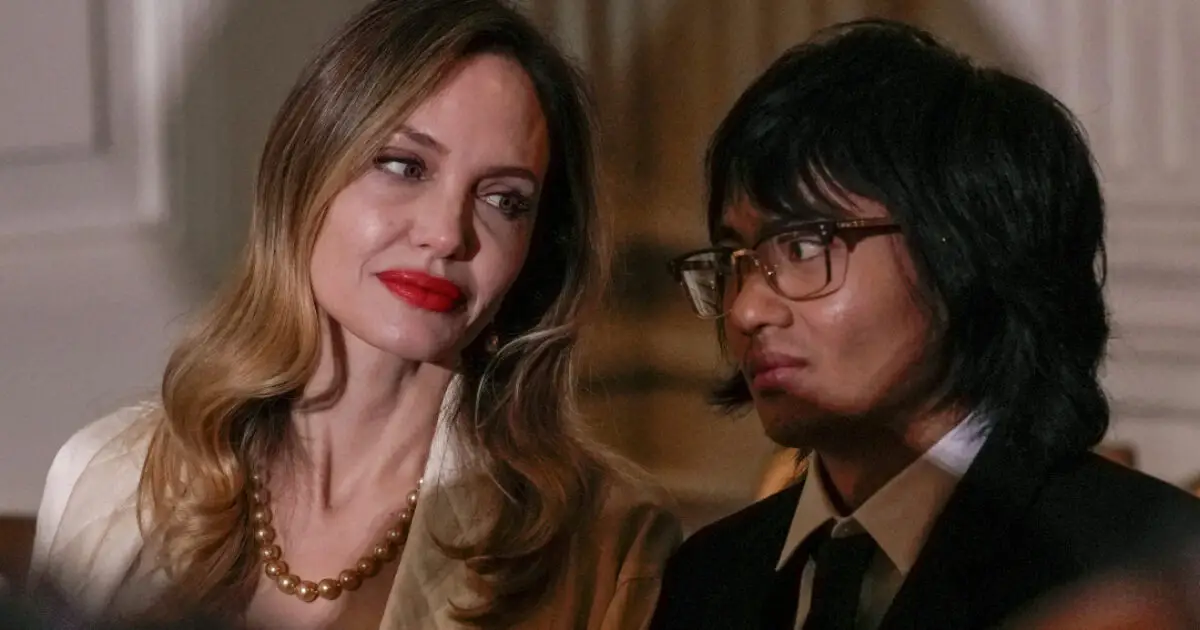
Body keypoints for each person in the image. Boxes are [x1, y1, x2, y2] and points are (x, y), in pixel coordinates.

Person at [28, 1, 679, 628]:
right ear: (307, 173)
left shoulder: (604, 541)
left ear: (536, 252)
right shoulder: (108, 477)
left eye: (503, 200)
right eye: (404, 166)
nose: (445, 233)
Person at [651, 19, 1200, 630]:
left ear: (968, 250)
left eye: (804, 246)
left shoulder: (1139, 573)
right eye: (733, 260)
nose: (747, 311)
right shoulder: (710, 576)